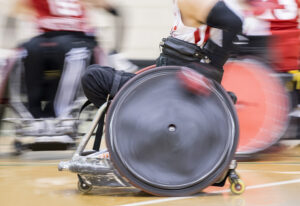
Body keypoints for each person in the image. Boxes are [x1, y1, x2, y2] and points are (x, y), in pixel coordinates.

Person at [81, 0, 244, 151]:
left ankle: (134, 138)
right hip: (164, 84)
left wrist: (209, 69)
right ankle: (135, 136)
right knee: (97, 75)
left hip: (169, 92)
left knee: (94, 78)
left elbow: (233, 22)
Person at [15, 0, 124, 118]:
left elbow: (104, 5)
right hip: (47, 36)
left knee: (73, 52)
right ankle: (32, 114)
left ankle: (59, 114)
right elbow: (19, 9)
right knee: (26, 50)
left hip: (76, 36)